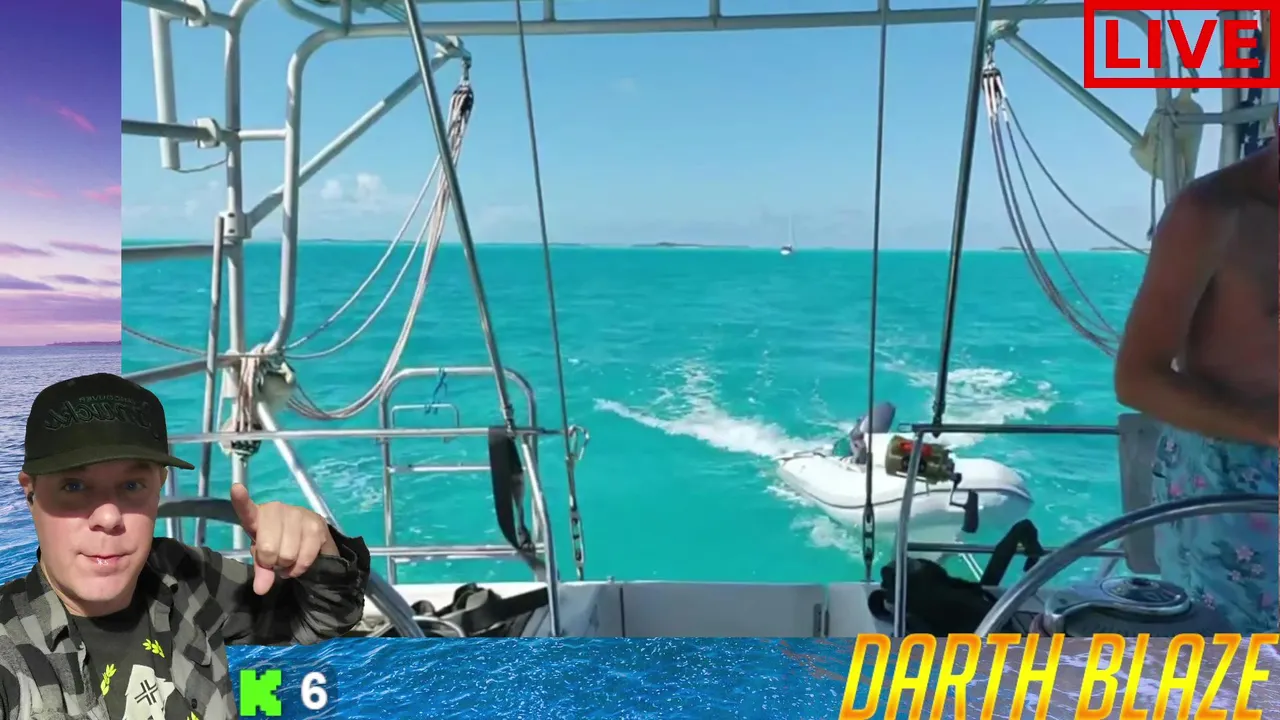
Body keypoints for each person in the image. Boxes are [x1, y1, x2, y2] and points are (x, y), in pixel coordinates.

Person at [0, 373, 372, 719]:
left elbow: (325, 619)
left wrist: (318, 550)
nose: (109, 516)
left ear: (159, 486)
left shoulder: (187, 576)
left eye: (132, 485)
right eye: (74, 486)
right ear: (30, 492)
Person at [1114, 134, 1278, 633]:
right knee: (1235, 666)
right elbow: (1137, 379)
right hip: (1232, 489)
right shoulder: (1210, 214)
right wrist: (1270, 428)